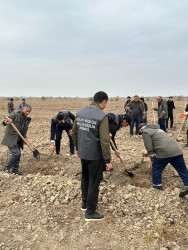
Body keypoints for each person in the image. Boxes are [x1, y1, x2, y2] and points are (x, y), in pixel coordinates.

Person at [72, 91, 112, 221]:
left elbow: (74, 132)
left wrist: (77, 148)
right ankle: (90, 212)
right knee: (94, 182)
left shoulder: (80, 111)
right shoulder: (102, 116)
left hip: (83, 152)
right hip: (94, 155)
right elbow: (105, 140)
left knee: (85, 178)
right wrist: (107, 160)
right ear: (103, 102)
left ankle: (84, 204)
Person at [139, 123, 188, 198]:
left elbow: (149, 148)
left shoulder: (145, 132)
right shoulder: (158, 130)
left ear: (141, 129)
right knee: (183, 170)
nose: (141, 134)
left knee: (156, 169)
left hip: (164, 152)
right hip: (177, 150)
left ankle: (157, 188)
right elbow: (161, 143)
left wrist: (153, 161)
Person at [100, 113, 132, 183]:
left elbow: (112, 138)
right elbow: (103, 118)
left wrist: (115, 149)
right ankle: (99, 176)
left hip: (104, 139)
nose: (126, 126)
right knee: (100, 152)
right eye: (127, 124)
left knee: (104, 151)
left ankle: (103, 167)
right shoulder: (113, 117)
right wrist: (105, 131)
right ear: (124, 121)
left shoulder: (117, 126)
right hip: (98, 136)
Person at [1, 105, 32, 175]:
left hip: (18, 139)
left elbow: (23, 130)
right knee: (16, 153)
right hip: (11, 138)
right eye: (26, 111)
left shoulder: (26, 120)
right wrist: (5, 121)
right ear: (23, 109)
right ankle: (6, 169)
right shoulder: (15, 114)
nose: (27, 113)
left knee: (18, 154)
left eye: (29, 112)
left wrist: (25, 137)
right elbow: (3, 120)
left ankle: (15, 170)